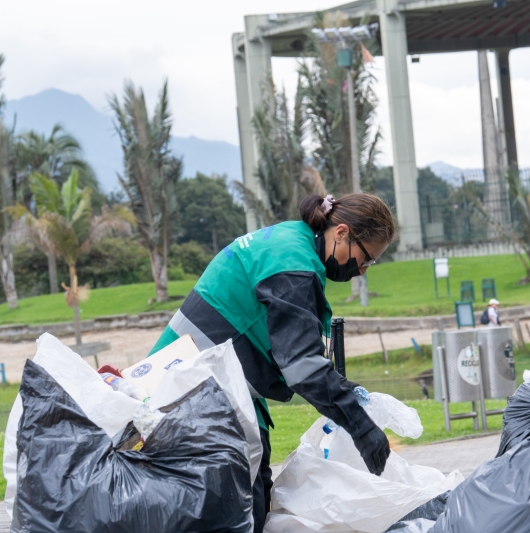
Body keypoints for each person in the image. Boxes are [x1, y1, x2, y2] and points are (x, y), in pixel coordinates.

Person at [147, 193, 396, 533]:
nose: (363, 271)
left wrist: (348, 394)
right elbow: (301, 365)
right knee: (242, 513)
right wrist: (361, 426)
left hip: (208, 391)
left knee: (254, 499)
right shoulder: (293, 265)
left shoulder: (291, 242)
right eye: (367, 259)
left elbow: (293, 348)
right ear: (341, 233)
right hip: (196, 399)